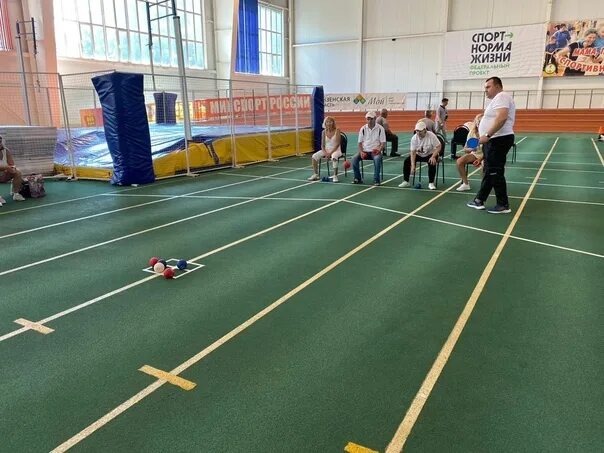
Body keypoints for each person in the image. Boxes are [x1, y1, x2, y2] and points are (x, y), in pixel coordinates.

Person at [466, 77, 516, 214]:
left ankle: (503, 205)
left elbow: (502, 117)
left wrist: (487, 136)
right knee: (489, 171)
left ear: (498, 86)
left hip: (497, 139)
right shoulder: (496, 100)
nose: (485, 90)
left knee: (495, 171)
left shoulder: (502, 96)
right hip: (493, 140)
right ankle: (479, 200)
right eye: (485, 87)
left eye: (488, 87)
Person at [398, 121, 441, 190]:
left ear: (425, 130)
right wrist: (413, 165)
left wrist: (433, 156)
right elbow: (413, 152)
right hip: (418, 154)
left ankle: (431, 183)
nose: (418, 133)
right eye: (417, 131)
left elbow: (439, 146)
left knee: (432, 162)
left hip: (429, 154)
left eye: (420, 131)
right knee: (407, 161)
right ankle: (406, 181)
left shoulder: (431, 135)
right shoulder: (414, 138)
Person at [352, 111, 385, 186]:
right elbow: (359, 143)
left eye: (371, 119)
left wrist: (379, 150)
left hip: (375, 151)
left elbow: (383, 143)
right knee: (354, 158)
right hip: (365, 151)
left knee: (377, 159)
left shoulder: (380, 129)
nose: (369, 120)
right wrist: (361, 152)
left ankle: (376, 180)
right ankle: (357, 178)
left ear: (375, 119)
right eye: (368, 119)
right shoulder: (363, 129)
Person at [307, 116, 342, 182]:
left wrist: (330, 154)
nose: (329, 123)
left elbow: (337, 144)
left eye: (330, 122)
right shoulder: (323, 132)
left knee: (334, 156)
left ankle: (335, 175)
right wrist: (326, 153)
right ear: (325, 123)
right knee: (314, 156)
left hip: (336, 150)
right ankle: (316, 174)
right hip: (326, 150)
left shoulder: (337, 130)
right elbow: (322, 145)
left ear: (333, 123)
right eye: (327, 122)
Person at [455, 114, 483, 192]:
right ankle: (465, 184)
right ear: (476, 122)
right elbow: (465, 149)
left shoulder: (487, 133)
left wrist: (480, 159)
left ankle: (484, 187)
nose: (479, 123)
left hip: (486, 155)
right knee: (459, 161)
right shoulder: (472, 133)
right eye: (478, 122)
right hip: (475, 154)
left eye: (481, 122)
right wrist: (471, 148)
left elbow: (490, 150)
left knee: (484, 165)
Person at [0, 136, 25, 206]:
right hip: (2, 171)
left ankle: (16, 194)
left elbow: (12, 164)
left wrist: (12, 169)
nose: (0, 144)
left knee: (17, 172)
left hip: (3, 173)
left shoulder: (6, 150)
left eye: (0, 142)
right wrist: (6, 167)